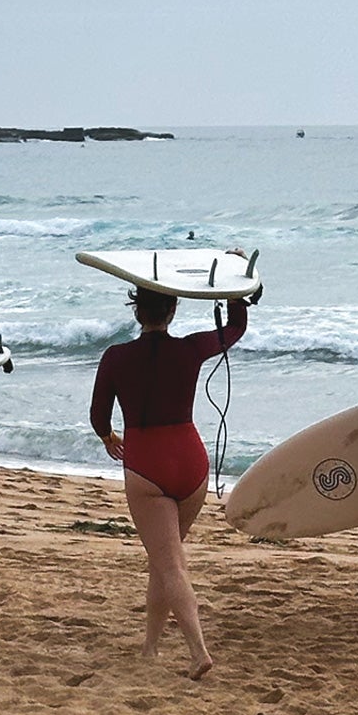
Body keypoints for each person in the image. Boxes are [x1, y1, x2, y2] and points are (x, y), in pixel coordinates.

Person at [90, 278, 252, 680]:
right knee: (163, 560)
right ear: (173, 310)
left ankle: (198, 651)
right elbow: (235, 329)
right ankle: (150, 646)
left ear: (136, 310)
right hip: (191, 460)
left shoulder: (116, 357)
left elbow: (98, 414)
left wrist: (109, 437)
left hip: (148, 463)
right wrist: (234, 291)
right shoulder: (190, 348)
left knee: (171, 564)